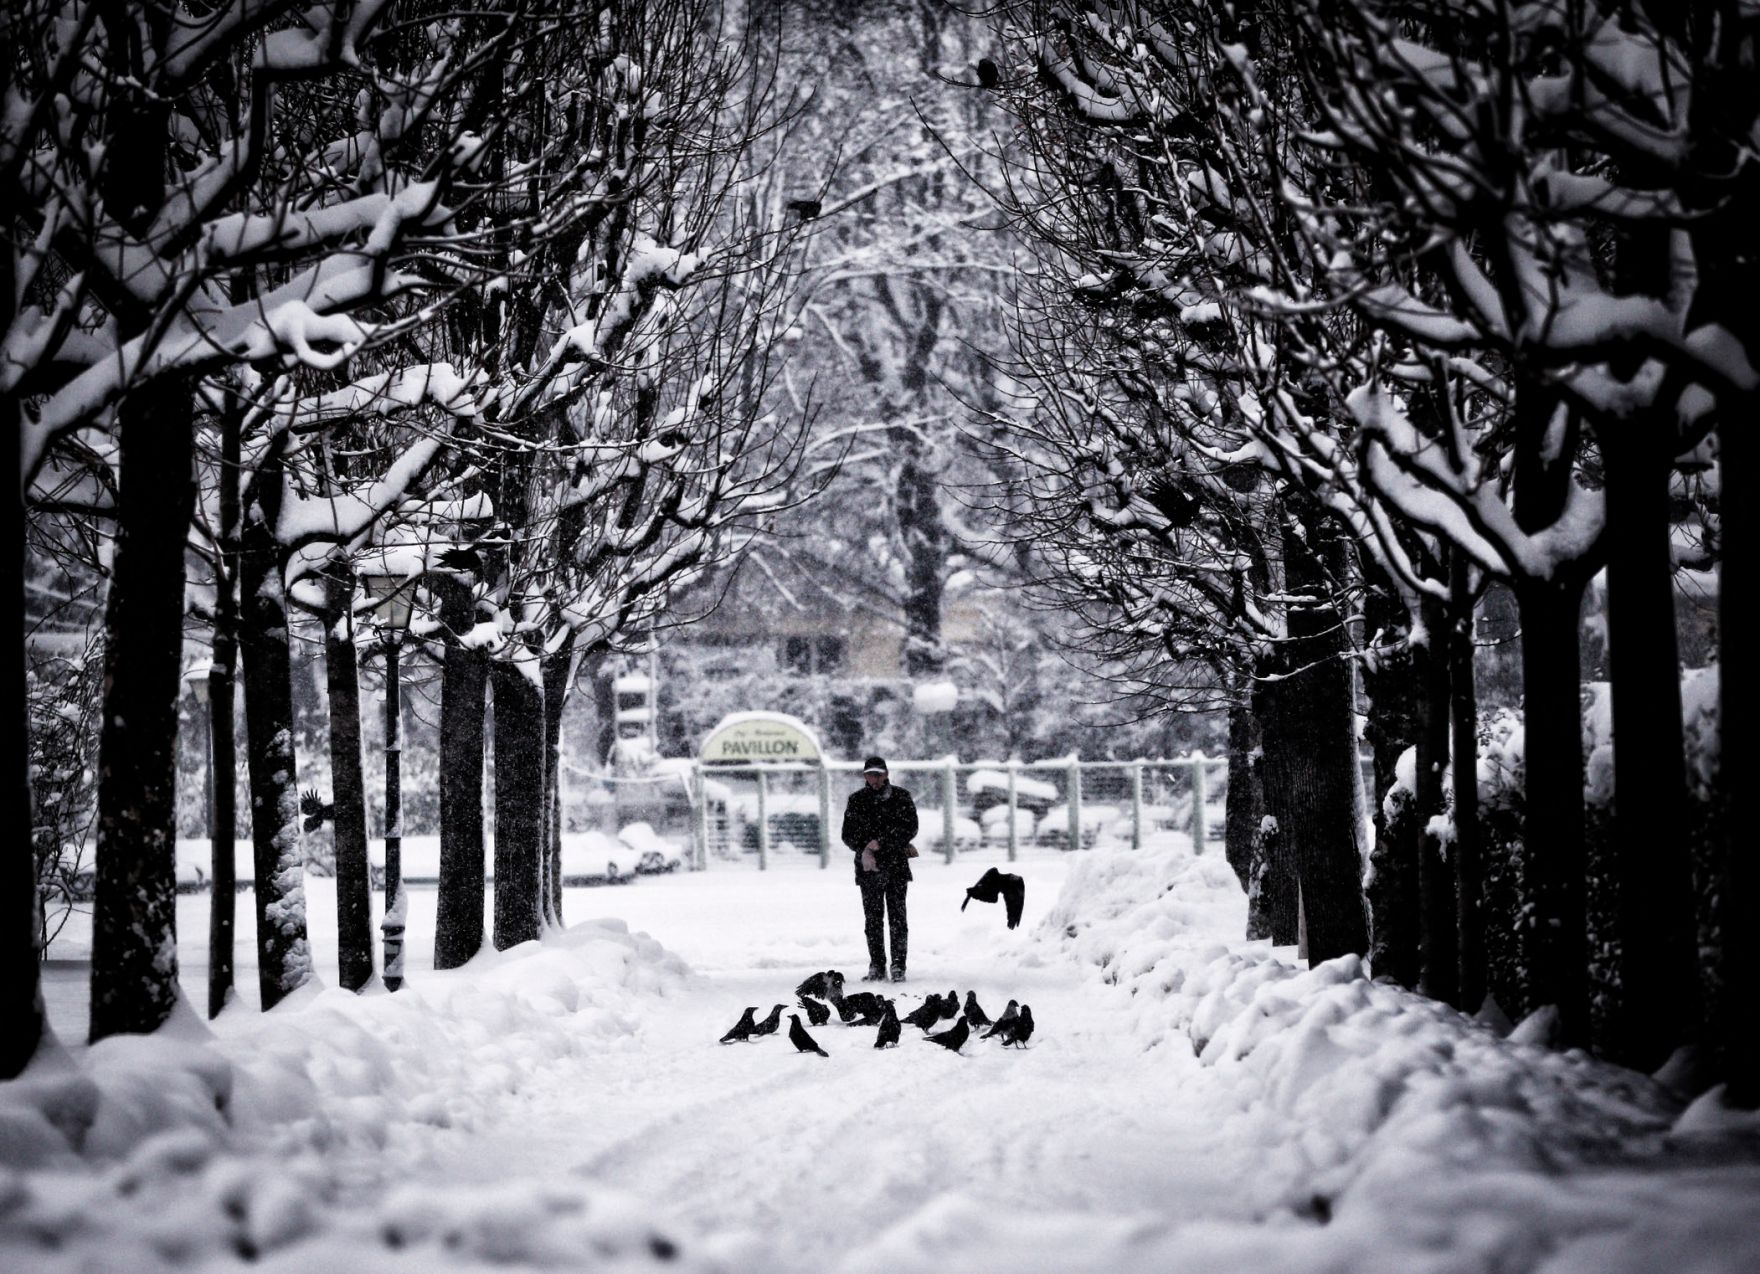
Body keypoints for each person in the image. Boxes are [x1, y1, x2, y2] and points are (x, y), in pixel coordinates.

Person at [840, 756, 917, 982]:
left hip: (895, 866)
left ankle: (898, 965)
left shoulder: (901, 797)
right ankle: (877, 964)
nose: (875, 779)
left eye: (879, 774)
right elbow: (848, 834)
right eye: (871, 775)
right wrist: (866, 845)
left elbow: (910, 827)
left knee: (897, 918)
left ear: (886, 774)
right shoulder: (857, 801)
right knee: (873, 919)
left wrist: (881, 842)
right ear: (865, 776)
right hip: (869, 869)